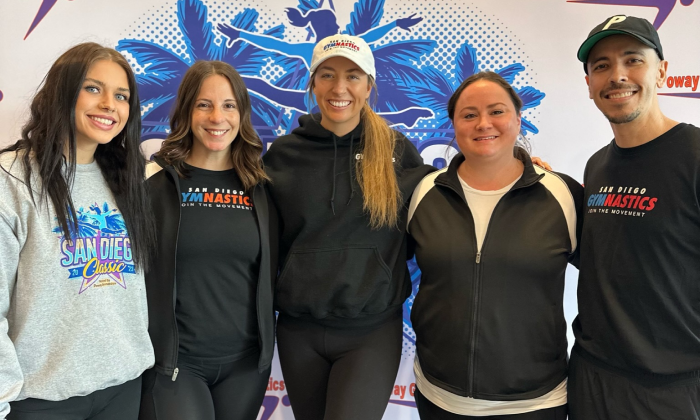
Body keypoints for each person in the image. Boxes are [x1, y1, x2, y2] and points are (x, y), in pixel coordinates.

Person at [262, 34, 433, 420]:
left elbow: (448, 194)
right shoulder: (283, 155)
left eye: (353, 76)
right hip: (298, 331)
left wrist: (515, 167)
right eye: (327, 75)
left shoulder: (395, 150)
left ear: (369, 86)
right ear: (312, 83)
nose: (339, 88)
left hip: (370, 332)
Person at [406, 71, 583, 419]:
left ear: (518, 119)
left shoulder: (563, 195)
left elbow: (609, 283)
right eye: (469, 115)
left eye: (497, 111)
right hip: (440, 396)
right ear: (454, 125)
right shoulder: (423, 193)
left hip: (536, 401)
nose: (483, 123)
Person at [0, 42, 156, 420]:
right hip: (41, 399)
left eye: (121, 96)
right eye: (92, 88)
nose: (109, 104)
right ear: (61, 92)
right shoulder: (13, 179)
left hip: (122, 386)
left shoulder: (129, 178)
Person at [568, 15, 700, 419]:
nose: (617, 76)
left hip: (671, 389)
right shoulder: (596, 166)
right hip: (591, 376)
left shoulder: (694, 157)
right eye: (602, 66)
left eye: (632, 60)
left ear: (661, 71)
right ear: (589, 84)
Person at [138, 60, 277, 420]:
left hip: (245, 366)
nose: (218, 117)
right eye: (204, 104)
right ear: (187, 110)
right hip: (175, 365)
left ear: (242, 114)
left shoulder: (261, 188)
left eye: (229, 105)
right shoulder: (155, 184)